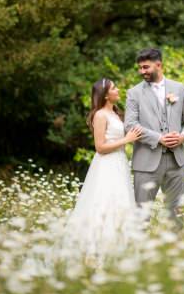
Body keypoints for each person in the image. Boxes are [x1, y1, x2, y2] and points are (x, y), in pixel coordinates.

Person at [61, 77, 143, 258]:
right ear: (105, 95)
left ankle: (118, 251)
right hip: (106, 165)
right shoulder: (100, 115)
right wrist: (126, 140)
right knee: (104, 204)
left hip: (120, 163)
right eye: (114, 88)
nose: (118, 90)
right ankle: (96, 252)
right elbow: (100, 147)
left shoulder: (116, 113)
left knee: (121, 204)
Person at [124, 47, 184, 223]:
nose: (142, 71)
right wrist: (158, 138)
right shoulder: (134, 93)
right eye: (140, 68)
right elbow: (130, 125)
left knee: (176, 215)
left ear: (159, 65)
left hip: (176, 162)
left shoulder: (179, 89)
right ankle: (140, 249)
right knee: (141, 216)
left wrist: (183, 136)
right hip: (146, 163)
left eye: (146, 67)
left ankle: (176, 248)